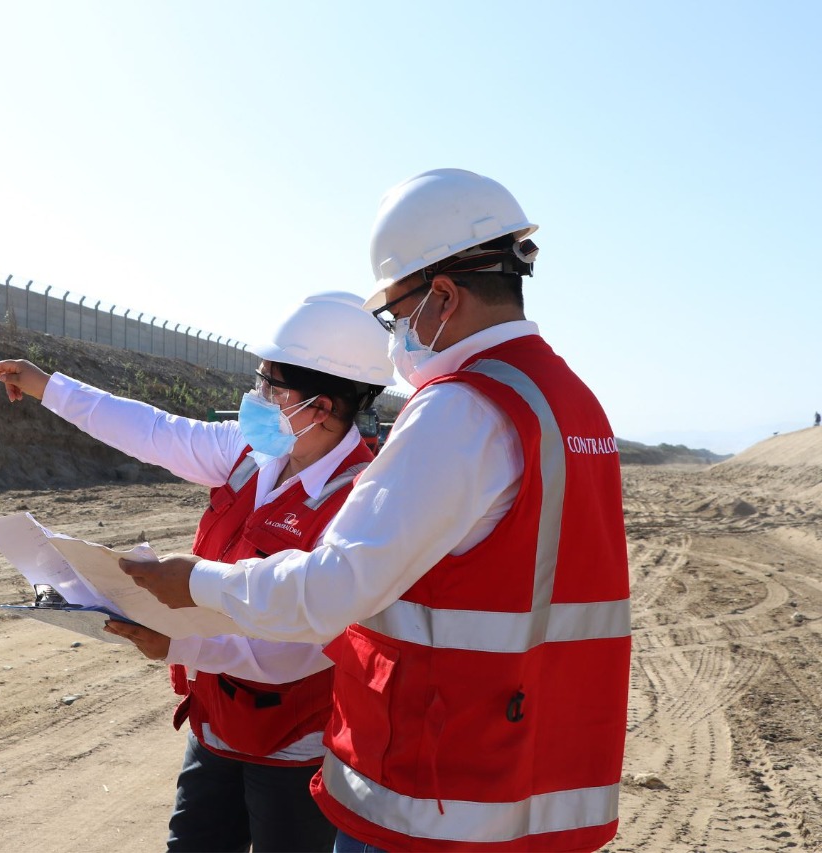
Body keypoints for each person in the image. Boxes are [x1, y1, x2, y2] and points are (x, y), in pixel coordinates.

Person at [121, 169, 633, 852]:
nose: (394, 339)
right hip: (529, 780)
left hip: (437, 790)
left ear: (442, 296)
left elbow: (329, 592)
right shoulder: (569, 401)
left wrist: (195, 582)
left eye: (395, 315)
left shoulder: (461, 408)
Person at [0, 292, 395, 852]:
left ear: (320, 408)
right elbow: (153, 430)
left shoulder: (361, 503)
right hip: (216, 724)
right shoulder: (251, 454)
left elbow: (296, 649)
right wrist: (47, 387)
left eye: (271, 387)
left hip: (295, 747)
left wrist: (175, 643)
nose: (256, 399)